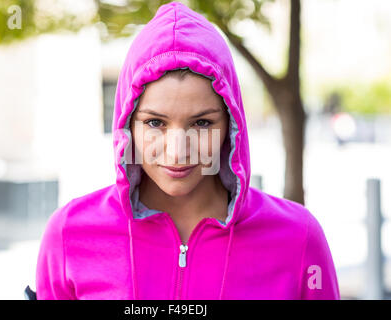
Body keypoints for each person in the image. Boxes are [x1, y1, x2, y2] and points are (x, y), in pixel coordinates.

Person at [35, 1, 340, 300]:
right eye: (155, 122)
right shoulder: (69, 235)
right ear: (127, 124)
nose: (178, 152)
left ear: (231, 125)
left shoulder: (298, 239)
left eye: (202, 123)